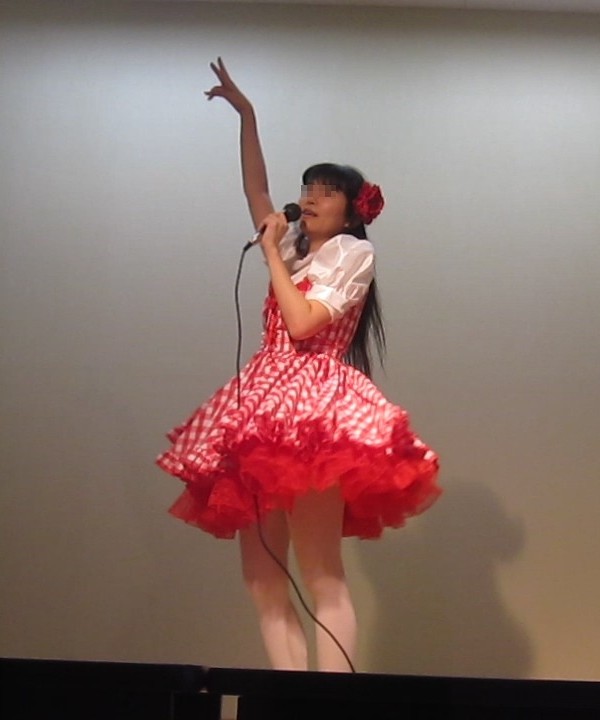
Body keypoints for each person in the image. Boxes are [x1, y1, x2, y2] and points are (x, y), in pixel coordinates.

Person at [156, 57, 441, 672]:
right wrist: (247, 115)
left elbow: (304, 323)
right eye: (308, 187)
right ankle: (287, 693)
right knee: (262, 578)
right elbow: (257, 193)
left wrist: (272, 258)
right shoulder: (291, 245)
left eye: (326, 191)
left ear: (352, 211)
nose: (309, 197)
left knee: (320, 573)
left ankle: (329, 701)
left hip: (316, 407)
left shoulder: (351, 254)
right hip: (263, 400)